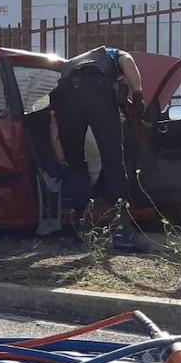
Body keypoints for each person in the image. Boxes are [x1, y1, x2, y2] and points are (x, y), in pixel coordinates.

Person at [48, 45, 148, 252]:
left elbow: (54, 122)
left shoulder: (71, 63)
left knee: (75, 162)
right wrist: (138, 94)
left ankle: (78, 230)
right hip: (97, 87)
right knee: (113, 159)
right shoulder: (111, 53)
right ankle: (122, 232)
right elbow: (128, 60)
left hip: (65, 95)